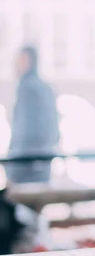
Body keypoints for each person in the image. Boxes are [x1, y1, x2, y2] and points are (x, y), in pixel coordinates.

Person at [6, 45, 59, 184]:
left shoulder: (26, 89)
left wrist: (12, 171)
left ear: (28, 61)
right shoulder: (45, 89)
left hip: (25, 167)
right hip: (42, 166)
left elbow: (23, 133)